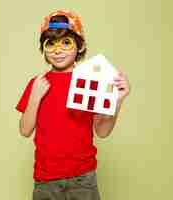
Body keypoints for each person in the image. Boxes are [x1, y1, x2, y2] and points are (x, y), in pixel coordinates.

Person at [15, 9, 130, 200]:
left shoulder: (91, 80)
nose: (58, 50)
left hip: (83, 179)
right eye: (50, 44)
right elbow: (25, 130)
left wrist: (116, 102)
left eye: (66, 42)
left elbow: (102, 131)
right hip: (46, 180)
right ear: (43, 48)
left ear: (79, 46)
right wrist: (35, 96)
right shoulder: (37, 83)